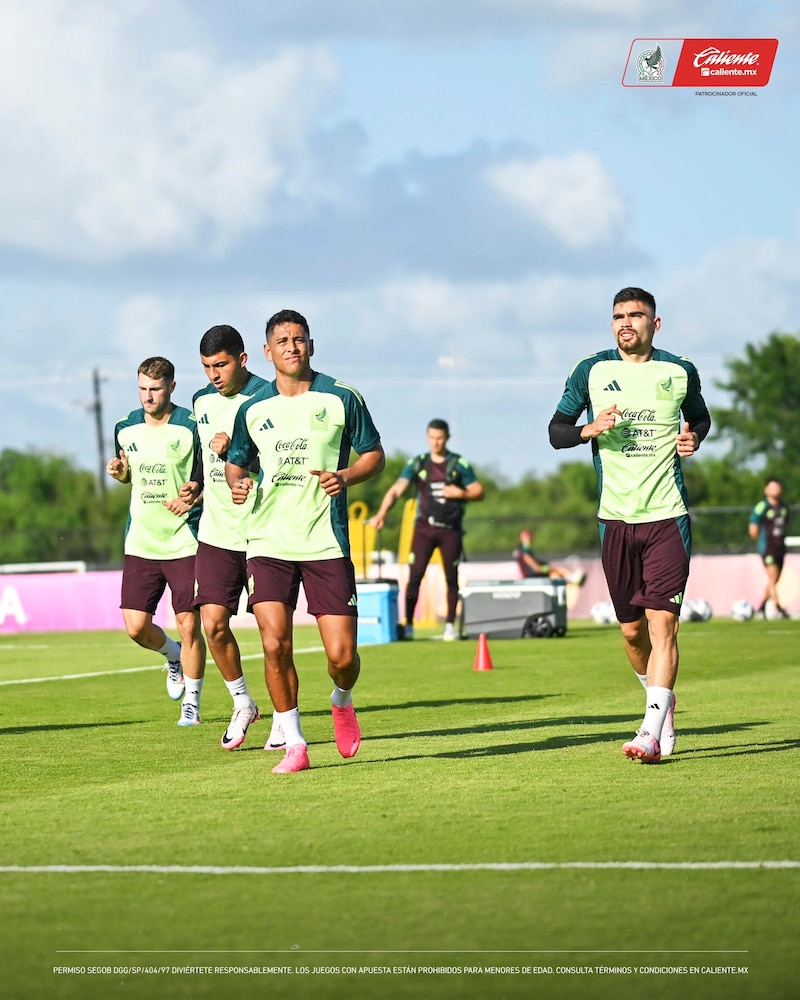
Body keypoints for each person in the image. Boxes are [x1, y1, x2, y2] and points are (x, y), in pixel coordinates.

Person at [548, 287, 711, 764]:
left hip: (667, 516)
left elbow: (701, 418)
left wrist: (693, 437)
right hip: (615, 521)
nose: (626, 323)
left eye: (636, 316)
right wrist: (588, 430)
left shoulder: (678, 370)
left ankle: (650, 731)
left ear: (654, 325)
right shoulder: (591, 371)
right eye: (619, 316)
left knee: (664, 627)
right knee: (632, 634)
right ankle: (661, 701)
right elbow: (556, 431)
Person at [225, 309, 385, 774]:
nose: (292, 347)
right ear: (267, 351)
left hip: (325, 542)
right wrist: (238, 483)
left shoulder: (340, 397)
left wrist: (346, 474)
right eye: (283, 340)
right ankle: (294, 741)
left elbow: (374, 454)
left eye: (300, 339)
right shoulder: (252, 409)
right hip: (267, 541)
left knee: (342, 657)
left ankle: (342, 699)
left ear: (310, 345)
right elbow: (238, 463)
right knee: (275, 644)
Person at [180, 324, 283, 751]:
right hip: (216, 531)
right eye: (206, 367)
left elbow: (284, 458)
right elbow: (205, 459)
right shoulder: (201, 401)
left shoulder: (270, 397)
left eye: (220, 365)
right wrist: (195, 485)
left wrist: (242, 452)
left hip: (263, 529)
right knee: (213, 625)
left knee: (271, 633)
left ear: (243, 359)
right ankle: (243, 703)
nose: (213, 376)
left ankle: (283, 716)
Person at [107, 357, 206, 725]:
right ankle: (173, 656)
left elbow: (205, 476)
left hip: (185, 541)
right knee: (135, 627)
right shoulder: (124, 427)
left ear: (172, 387)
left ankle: (192, 704)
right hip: (141, 542)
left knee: (190, 625)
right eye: (143, 389)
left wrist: (192, 493)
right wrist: (119, 474)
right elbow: (128, 474)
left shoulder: (191, 426)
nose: (149, 397)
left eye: (156, 389)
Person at [369, 419, 484, 641]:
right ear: (427, 437)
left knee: (451, 577)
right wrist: (382, 513)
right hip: (423, 529)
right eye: (432, 437)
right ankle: (409, 624)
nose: (435, 442)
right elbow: (396, 489)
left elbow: (478, 490)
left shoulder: (458, 464)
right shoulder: (418, 463)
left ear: (447, 438)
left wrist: (460, 494)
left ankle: (450, 625)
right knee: (415, 576)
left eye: (440, 438)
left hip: (450, 530)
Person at [749, 477, 790, 619]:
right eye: (772, 487)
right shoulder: (762, 506)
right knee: (772, 577)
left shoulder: (783, 507)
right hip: (768, 548)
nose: (776, 490)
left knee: (775, 579)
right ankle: (779, 608)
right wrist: (759, 541)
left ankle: (760, 608)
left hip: (780, 547)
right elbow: (753, 527)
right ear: (766, 490)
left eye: (778, 487)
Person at [514, 529, 585, 584]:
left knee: (556, 572)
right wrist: (547, 568)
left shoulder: (523, 550)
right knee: (555, 572)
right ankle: (571, 578)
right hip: (531, 578)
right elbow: (536, 568)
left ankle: (570, 578)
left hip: (531, 576)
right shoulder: (523, 551)